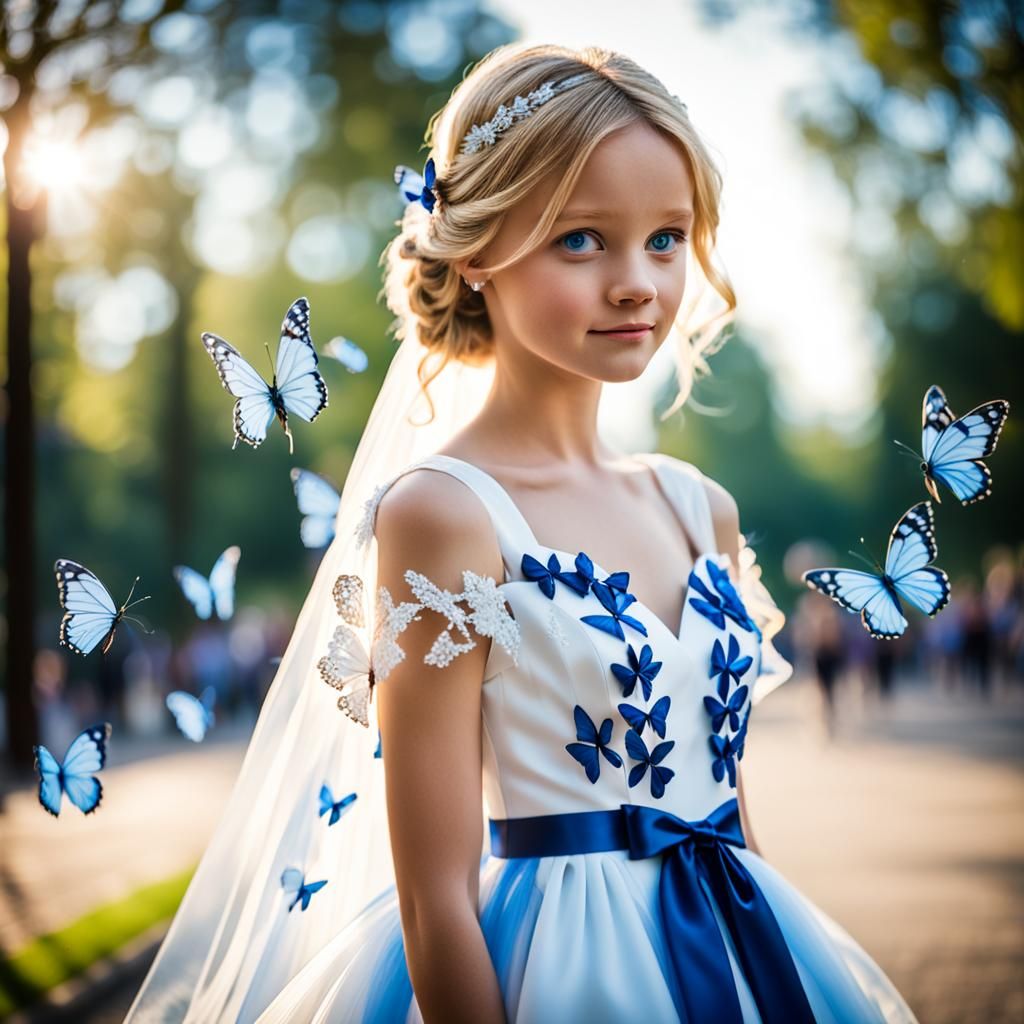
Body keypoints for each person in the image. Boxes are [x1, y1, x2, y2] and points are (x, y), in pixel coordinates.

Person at [125, 42, 918, 1023]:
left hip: (746, 943)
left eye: (666, 238)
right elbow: (434, 895)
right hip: (562, 967)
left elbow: (729, 808)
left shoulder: (698, 506)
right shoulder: (444, 513)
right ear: (475, 250)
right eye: (581, 239)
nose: (636, 283)